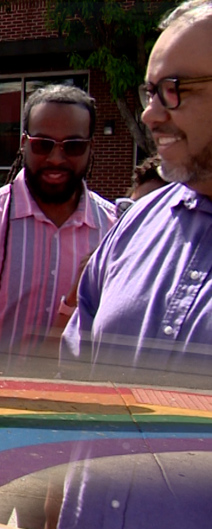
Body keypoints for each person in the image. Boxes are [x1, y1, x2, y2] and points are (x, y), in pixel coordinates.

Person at [62, 0, 212, 384]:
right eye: (150, 92)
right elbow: (76, 387)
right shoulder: (134, 227)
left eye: (173, 89)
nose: (150, 114)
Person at [0, 85, 117, 370]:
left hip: (80, 407)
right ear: (23, 142)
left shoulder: (115, 232)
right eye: (43, 144)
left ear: (91, 146)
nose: (56, 158)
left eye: (73, 146)